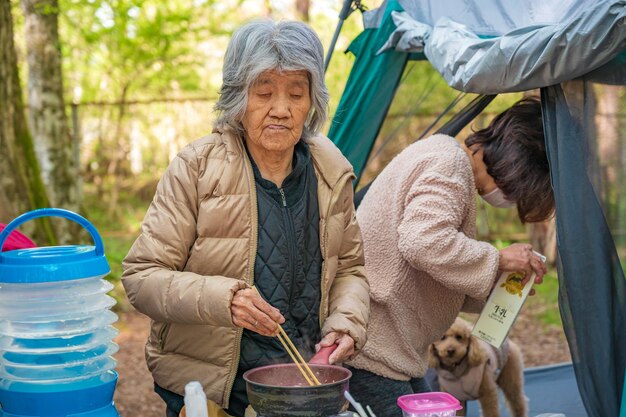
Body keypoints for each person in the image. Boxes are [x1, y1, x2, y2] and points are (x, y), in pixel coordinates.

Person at [122, 19, 369, 417]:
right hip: (218, 389)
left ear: (313, 100)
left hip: (302, 382)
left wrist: (345, 323)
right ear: (239, 97)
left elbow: (351, 269)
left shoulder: (331, 170)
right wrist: (225, 300)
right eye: (264, 92)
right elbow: (141, 277)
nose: (282, 110)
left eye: (296, 93)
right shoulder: (197, 168)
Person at [345, 97, 554, 416]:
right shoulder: (449, 163)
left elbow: (430, 268)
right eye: (518, 192)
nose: (511, 201)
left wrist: (498, 287)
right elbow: (421, 241)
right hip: (371, 347)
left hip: (395, 351)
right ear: (515, 168)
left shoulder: (448, 161)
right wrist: (497, 259)